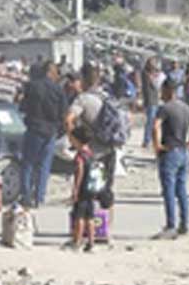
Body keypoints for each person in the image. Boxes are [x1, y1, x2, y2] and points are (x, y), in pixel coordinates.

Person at [65, 62, 117, 228]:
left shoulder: (83, 99)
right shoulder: (106, 96)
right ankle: (106, 229)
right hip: (109, 148)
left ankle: (85, 229)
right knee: (106, 191)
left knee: (87, 191)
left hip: (92, 152)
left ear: (83, 79)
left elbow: (68, 120)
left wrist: (75, 141)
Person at [152, 78, 189, 239]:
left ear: (167, 90)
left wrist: (157, 145)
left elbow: (155, 126)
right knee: (181, 190)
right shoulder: (186, 108)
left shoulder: (165, 108)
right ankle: (184, 224)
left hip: (170, 151)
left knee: (169, 191)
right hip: (183, 151)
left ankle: (171, 225)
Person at [19, 61, 67, 208]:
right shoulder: (58, 90)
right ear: (51, 72)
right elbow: (63, 112)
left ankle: (26, 196)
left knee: (28, 163)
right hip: (51, 131)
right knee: (44, 165)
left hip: (34, 128)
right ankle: (39, 197)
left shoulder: (32, 87)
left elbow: (23, 107)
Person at [68, 123, 112, 252]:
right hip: (92, 190)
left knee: (79, 217)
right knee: (90, 217)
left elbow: (79, 173)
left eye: (72, 139)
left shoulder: (80, 156)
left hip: (82, 190)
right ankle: (91, 243)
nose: (71, 141)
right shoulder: (91, 154)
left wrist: (75, 190)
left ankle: (77, 241)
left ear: (77, 140)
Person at [142, 58, 164, 148]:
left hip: (154, 100)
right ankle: (147, 141)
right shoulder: (146, 74)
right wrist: (156, 76)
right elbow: (155, 85)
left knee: (153, 121)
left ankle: (150, 140)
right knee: (150, 121)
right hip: (151, 101)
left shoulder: (150, 74)